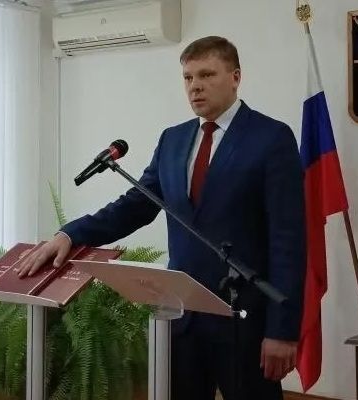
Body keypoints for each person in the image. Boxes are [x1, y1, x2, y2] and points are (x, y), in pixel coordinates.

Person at [18, 36, 306, 400]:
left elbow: (288, 242)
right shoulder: (173, 140)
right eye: (188, 77)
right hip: (181, 319)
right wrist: (70, 234)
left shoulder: (271, 138)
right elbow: (135, 205)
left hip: (244, 321)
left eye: (206, 75)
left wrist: (283, 330)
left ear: (235, 77)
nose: (195, 86)